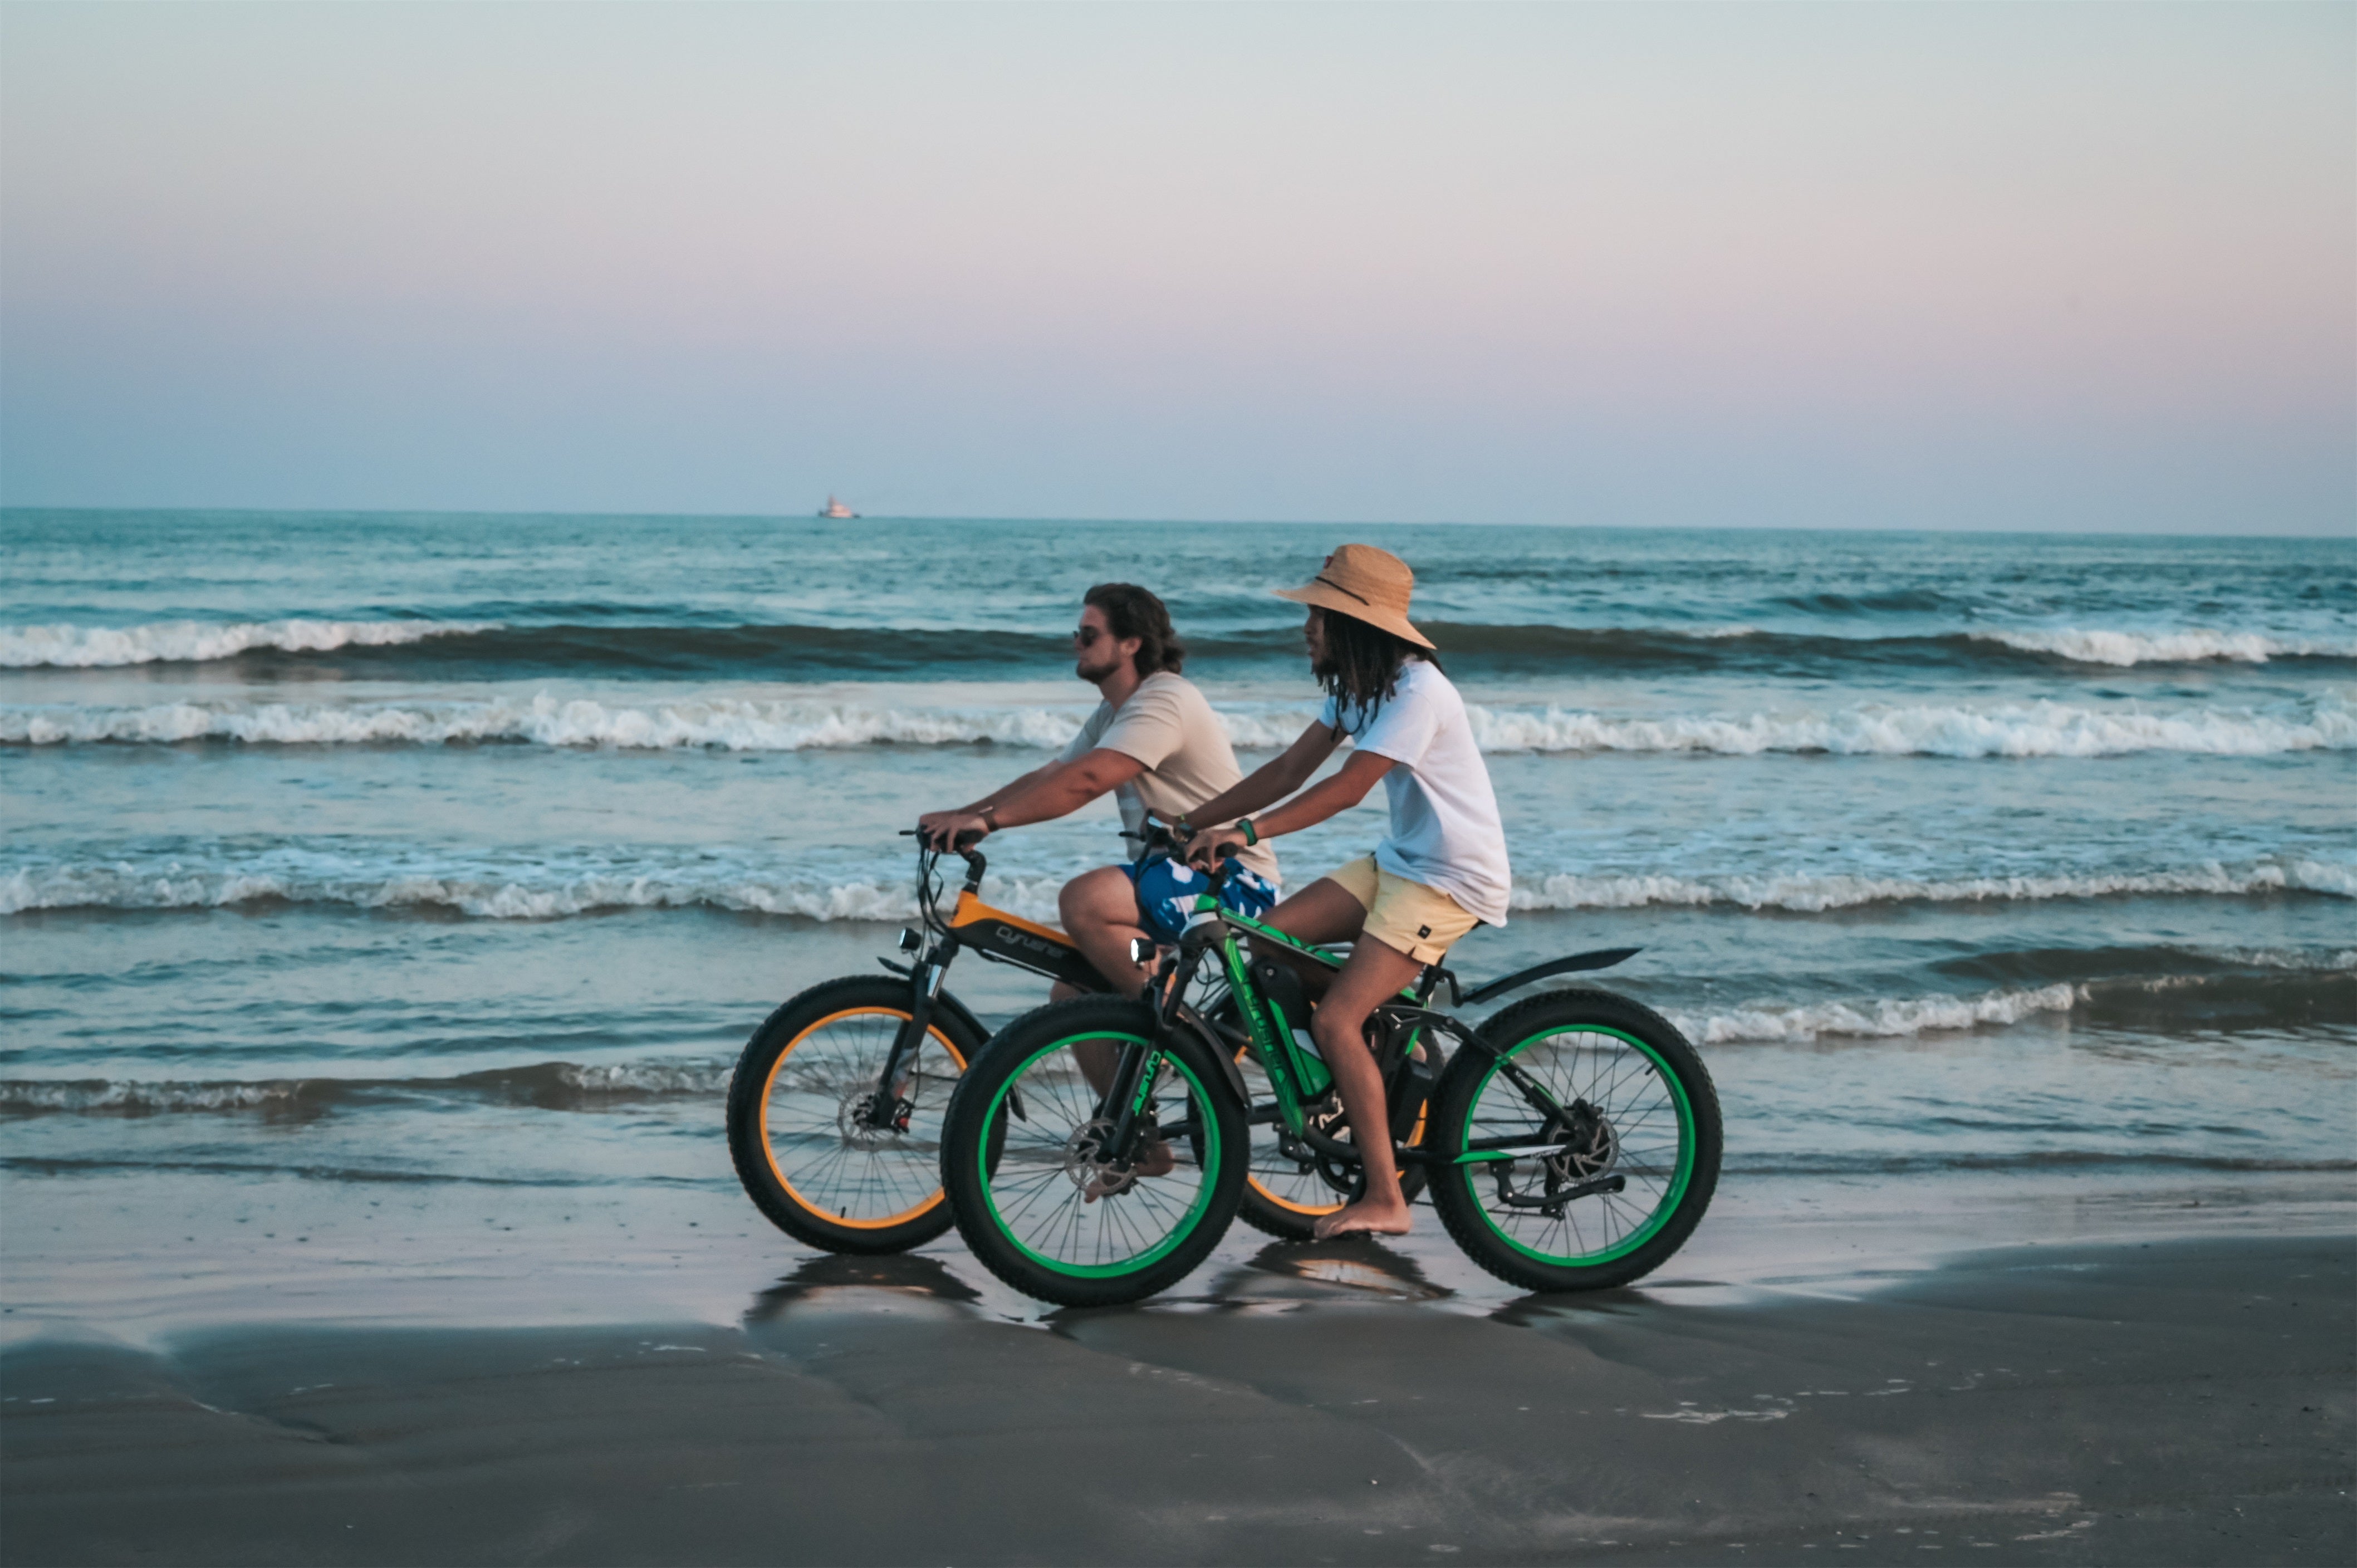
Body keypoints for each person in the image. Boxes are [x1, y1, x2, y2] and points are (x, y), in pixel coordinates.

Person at [1181, 545, 1510, 1241]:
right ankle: (1382, 1045)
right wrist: (1193, 822)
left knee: (1334, 1019)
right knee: (1263, 940)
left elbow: (1347, 787)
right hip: (1402, 862)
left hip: (1450, 878)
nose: (1307, 627)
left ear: (1355, 624)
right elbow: (1289, 769)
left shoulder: (1420, 692)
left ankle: (1388, 1196)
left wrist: (1247, 832)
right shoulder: (1358, 687)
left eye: (1318, 615)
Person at [917, 583, 1280, 999]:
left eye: (1089, 636)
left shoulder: (1165, 700)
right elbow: (1051, 775)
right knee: (1072, 998)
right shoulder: (1114, 712)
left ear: (1131, 644)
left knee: (1085, 901)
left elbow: (1086, 781)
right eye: (1077, 634)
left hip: (1231, 881)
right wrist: (963, 814)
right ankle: (1156, 1023)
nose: (1076, 644)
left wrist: (989, 823)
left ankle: (1178, 1028)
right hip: (1174, 878)